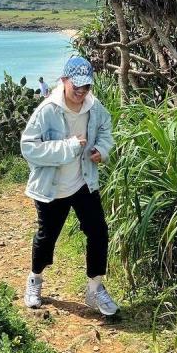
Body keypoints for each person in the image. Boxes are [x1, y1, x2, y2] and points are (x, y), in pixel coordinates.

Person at [20, 55, 119, 317]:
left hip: (84, 182)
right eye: (77, 87)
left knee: (98, 231)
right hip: (51, 187)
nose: (82, 92)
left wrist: (102, 149)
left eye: (86, 87)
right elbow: (28, 147)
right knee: (47, 236)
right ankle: (35, 279)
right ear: (64, 81)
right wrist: (68, 147)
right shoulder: (47, 110)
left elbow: (107, 131)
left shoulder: (95, 107)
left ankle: (95, 289)